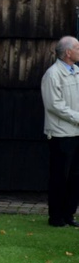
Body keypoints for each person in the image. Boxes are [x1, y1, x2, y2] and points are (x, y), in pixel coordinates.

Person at [41, 36, 79, 227]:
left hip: (76, 133)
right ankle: (56, 217)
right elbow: (54, 105)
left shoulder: (77, 72)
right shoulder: (52, 74)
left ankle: (69, 214)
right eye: (77, 48)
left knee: (75, 177)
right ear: (68, 52)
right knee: (59, 177)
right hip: (60, 134)